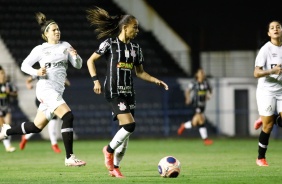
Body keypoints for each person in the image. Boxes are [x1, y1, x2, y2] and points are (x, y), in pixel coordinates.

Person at [86, 6, 169, 178]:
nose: (137, 30)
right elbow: (90, 61)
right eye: (135, 27)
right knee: (130, 125)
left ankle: (115, 167)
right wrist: (95, 80)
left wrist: (156, 80)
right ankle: (108, 150)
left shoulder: (136, 49)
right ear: (125, 27)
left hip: (129, 92)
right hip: (114, 91)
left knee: (126, 133)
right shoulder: (109, 43)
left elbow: (140, 72)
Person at [0, 12, 86, 166]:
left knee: (36, 126)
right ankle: (69, 157)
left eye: (58, 29)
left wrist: (76, 56)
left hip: (57, 91)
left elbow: (78, 65)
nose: (57, 31)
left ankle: (6, 131)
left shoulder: (66, 46)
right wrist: (36, 72)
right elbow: (24, 65)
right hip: (45, 89)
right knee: (68, 116)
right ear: (46, 34)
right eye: (54, 30)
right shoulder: (41, 49)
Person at [253, 20, 282, 166]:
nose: (275, 29)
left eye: (278, 27)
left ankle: (268, 117)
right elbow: (256, 73)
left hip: (281, 90)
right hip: (267, 91)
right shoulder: (265, 50)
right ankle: (260, 158)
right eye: (272, 27)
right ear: (269, 33)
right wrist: (272, 71)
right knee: (268, 126)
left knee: (273, 121)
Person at [19, 76, 71, 153]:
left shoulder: (59, 70)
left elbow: (68, 83)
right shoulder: (44, 71)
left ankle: (26, 137)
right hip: (43, 99)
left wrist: (63, 82)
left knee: (40, 124)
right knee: (45, 122)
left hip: (54, 99)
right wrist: (28, 84)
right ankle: (54, 144)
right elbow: (29, 79)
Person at [177, 68, 213, 146]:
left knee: (196, 122)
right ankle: (206, 140)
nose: (202, 74)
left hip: (203, 105)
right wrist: (188, 98)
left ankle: (184, 125)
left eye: (203, 73)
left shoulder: (206, 83)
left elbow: (210, 90)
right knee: (201, 119)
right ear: (197, 74)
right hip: (196, 104)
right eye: (200, 73)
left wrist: (209, 96)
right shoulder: (194, 83)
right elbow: (188, 91)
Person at [0, 66, 17, 152]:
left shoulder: (8, 84)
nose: (3, 75)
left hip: (7, 108)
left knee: (7, 127)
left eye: (3, 73)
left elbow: (16, 94)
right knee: (4, 127)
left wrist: (9, 93)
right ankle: (8, 146)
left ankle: (8, 146)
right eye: (1, 73)